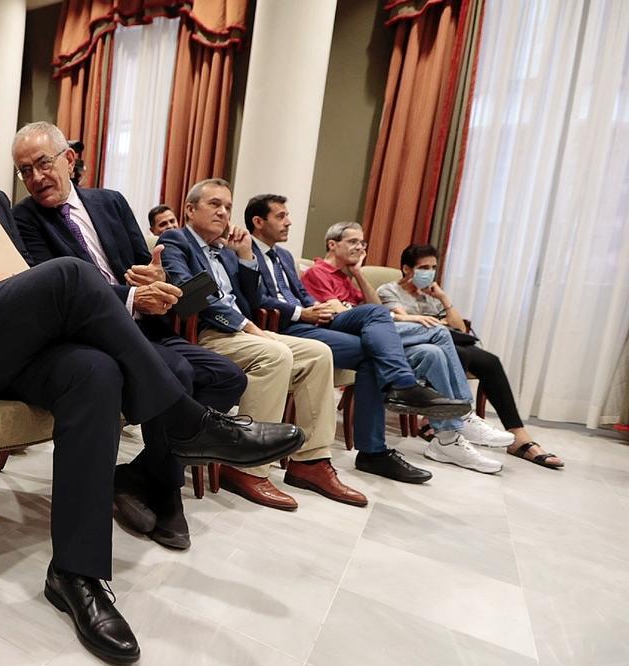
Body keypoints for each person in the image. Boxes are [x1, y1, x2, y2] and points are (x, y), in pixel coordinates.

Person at [0, 85, 303, 665]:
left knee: (94, 371)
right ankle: (185, 420)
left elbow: (24, 276)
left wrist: (18, 284)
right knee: (71, 273)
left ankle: (77, 573)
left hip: (8, 343)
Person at [12, 122, 250, 545]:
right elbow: (57, 292)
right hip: (95, 337)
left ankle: (143, 472)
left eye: (43, 163)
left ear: (68, 159)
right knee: (177, 371)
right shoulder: (25, 219)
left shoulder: (111, 202)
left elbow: (147, 265)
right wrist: (130, 298)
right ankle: (167, 493)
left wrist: (155, 277)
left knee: (229, 377)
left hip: (150, 328)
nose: (36, 178)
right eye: (25, 171)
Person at [160, 180, 367, 510]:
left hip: (243, 332)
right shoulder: (176, 240)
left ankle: (310, 462)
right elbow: (188, 293)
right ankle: (246, 467)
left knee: (319, 353)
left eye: (227, 206)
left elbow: (253, 300)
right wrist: (249, 326)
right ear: (189, 209)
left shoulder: (227, 250)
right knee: (275, 354)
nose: (223, 212)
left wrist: (245, 258)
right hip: (205, 334)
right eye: (214, 204)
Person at [243, 193, 472, 484]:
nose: (288, 222)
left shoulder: (284, 256)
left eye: (288, 215)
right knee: (372, 351)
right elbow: (254, 300)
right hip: (287, 327)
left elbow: (301, 294)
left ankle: (397, 397)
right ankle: (379, 438)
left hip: (316, 317)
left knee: (374, 314)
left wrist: (316, 306)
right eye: (281, 216)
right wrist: (303, 312)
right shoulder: (243, 250)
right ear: (258, 221)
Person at [303, 222, 503, 474]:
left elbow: (376, 309)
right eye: (353, 242)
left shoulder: (347, 277)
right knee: (438, 331)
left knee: (432, 353)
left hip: (373, 331)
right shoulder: (318, 272)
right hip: (346, 334)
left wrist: (358, 273)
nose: (359, 247)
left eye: (362, 243)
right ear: (332, 244)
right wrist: (392, 318)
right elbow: (344, 314)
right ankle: (463, 414)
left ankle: (447, 439)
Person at [378, 244, 564, 468]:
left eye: (433, 267)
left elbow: (460, 329)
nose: (429, 272)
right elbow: (401, 318)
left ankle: (518, 435)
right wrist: (432, 323)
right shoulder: (389, 290)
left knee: (490, 361)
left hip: (444, 340)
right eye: (423, 267)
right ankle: (454, 416)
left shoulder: (430, 297)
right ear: (407, 269)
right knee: (454, 353)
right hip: (418, 343)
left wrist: (444, 299)